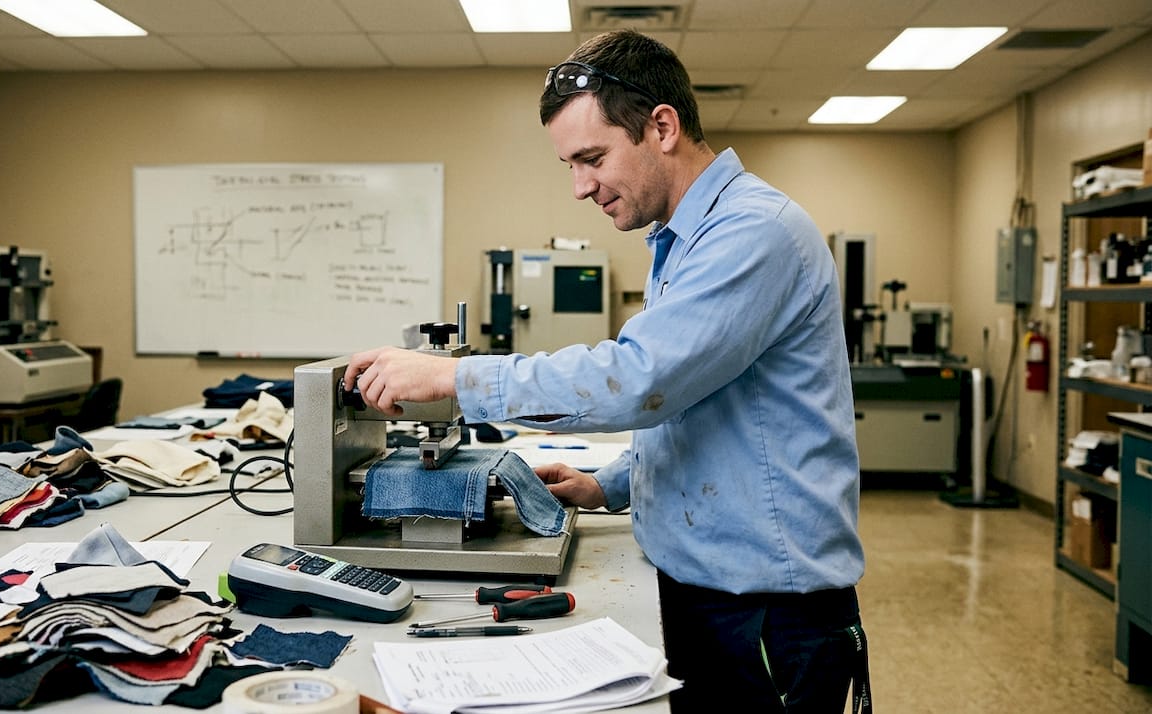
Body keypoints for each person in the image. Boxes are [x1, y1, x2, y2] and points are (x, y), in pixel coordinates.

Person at [344, 30, 869, 713]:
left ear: (662, 126)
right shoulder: (679, 238)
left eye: (592, 158)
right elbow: (702, 408)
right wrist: (611, 484)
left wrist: (454, 380)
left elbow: (640, 379)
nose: (580, 187)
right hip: (711, 593)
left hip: (770, 615)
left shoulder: (753, 232)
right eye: (569, 164)